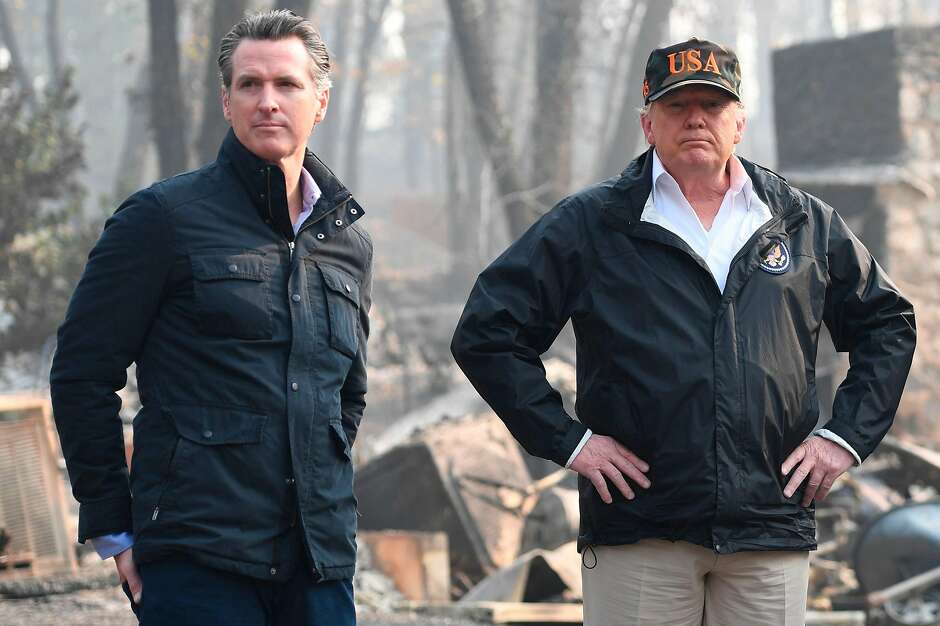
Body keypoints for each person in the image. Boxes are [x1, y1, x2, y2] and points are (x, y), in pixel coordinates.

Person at [450, 37, 915, 625]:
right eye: (676, 106)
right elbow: (487, 332)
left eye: (713, 105)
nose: (696, 117)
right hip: (640, 526)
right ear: (648, 124)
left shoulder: (802, 223)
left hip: (768, 525)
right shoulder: (593, 224)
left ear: (739, 121)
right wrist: (567, 440)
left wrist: (843, 437)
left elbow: (887, 322)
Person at [50, 10, 371, 625]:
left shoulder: (348, 244)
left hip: (319, 564)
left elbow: (345, 397)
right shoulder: (161, 220)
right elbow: (82, 375)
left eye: (287, 85)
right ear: (226, 102)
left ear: (321, 102)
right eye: (250, 85)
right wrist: (114, 531)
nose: (268, 102)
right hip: (198, 562)